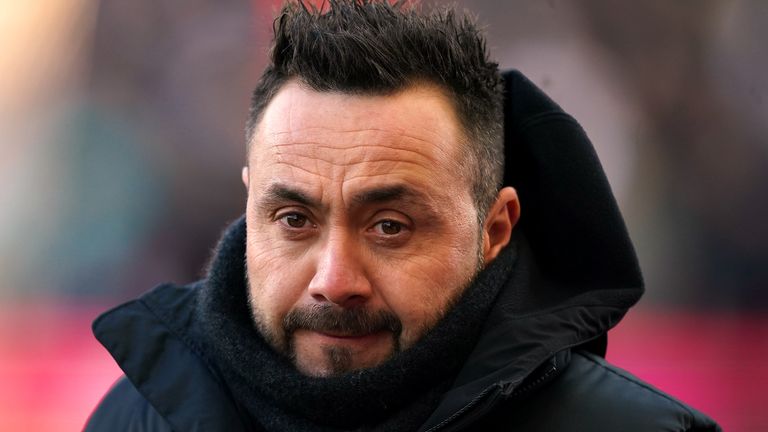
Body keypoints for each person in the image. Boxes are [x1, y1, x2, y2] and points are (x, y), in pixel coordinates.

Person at [85, 1, 720, 430]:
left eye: (390, 226)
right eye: (293, 220)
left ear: (494, 230)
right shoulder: (138, 418)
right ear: (250, 207)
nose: (334, 280)